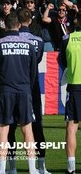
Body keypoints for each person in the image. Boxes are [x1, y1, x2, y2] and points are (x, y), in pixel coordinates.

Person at [0, 13, 38, 174]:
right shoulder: (29, 44)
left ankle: (2, 170)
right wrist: (27, 88)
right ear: (18, 26)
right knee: (27, 129)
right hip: (24, 90)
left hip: (5, 90)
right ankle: (32, 169)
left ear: (4, 25)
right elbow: (33, 73)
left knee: (3, 129)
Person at [58, 20, 81, 174]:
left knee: (72, 127)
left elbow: (62, 61)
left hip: (75, 86)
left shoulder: (67, 39)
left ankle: (71, 168)